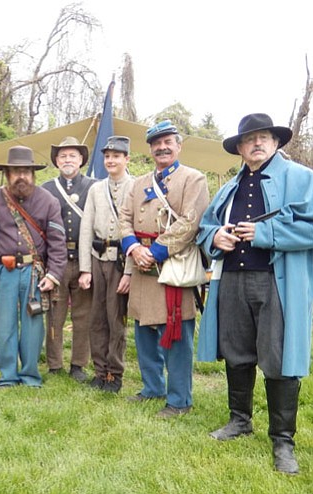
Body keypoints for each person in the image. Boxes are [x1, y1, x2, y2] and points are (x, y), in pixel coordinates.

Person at [197, 113, 313, 475]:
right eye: (249, 140)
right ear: (241, 149)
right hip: (231, 279)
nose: (257, 144)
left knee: (277, 358)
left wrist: (265, 234)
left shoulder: (302, 179)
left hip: (275, 282)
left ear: (276, 142)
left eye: (263, 137)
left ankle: (282, 440)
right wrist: (214, 238)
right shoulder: (228, 187)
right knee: (236, 351)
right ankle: (239, 420)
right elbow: (206, 226)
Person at [119, 120, 209, 418]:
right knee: (144, 331)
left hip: (173, 268)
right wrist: (134, 248)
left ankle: (179, 399)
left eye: (168, 141)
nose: (162, 147)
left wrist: (155, 252)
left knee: (177, 335)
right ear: (150, 149)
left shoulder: (193, 179)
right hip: (141, 264)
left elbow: (190, 222)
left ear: (178, 145)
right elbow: (124, 219)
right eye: (156, 143)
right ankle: (152, 388)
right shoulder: (138, 182)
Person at [0, 146, 66, 388]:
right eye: (16, 171)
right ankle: (8, 375)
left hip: (34, 273)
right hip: (3, 273)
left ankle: (29, 375)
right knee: (3, 325)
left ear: (33, 173)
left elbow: (58, 244)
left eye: (26, 171)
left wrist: (53, 275)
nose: (21, 176)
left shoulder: (49, 201)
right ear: (7, 173)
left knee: (33, 327)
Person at [78, 136, 134, 392]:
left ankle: (115, 373)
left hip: (120, 262)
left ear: (126, 159)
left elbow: (137, 231)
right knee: (96, 319)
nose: (111, 161)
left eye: (117, 156)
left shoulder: (135, 187)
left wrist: (130, 272)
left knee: (115, 320)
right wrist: (85, 268)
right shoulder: (95, 189)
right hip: (97, 258)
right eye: (107, 156)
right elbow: (86, 229)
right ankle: (99, 371)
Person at [41, 136, 96, 382]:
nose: (67, 160)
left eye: (72, 155)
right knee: (55, 314)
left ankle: (78, 365)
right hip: (56, 261)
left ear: (81, 159)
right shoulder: (46, 189)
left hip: (84, 260)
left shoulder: (94, 187)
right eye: (62, 156)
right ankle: (54, 365)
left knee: (83, 316)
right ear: (56, 161)